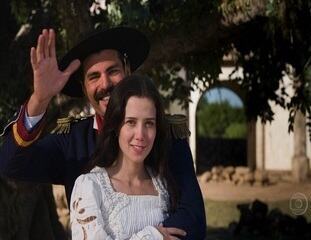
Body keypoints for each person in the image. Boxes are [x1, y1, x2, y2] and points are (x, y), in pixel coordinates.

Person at [0, 27, 206, 239]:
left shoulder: (165, 136)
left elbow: (192, 219)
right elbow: (10, 164)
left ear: (127, 70)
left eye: (113, 71)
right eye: (93, 76)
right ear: (83, 87)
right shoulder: (72, 142)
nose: (105, 84)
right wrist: (40, 99)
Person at [71, 75, 186, 239]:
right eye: (131, 122)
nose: (140, 135)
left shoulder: (164, 185)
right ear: (116, 126)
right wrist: (151, 236)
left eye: (149, 123)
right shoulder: (90, 187)